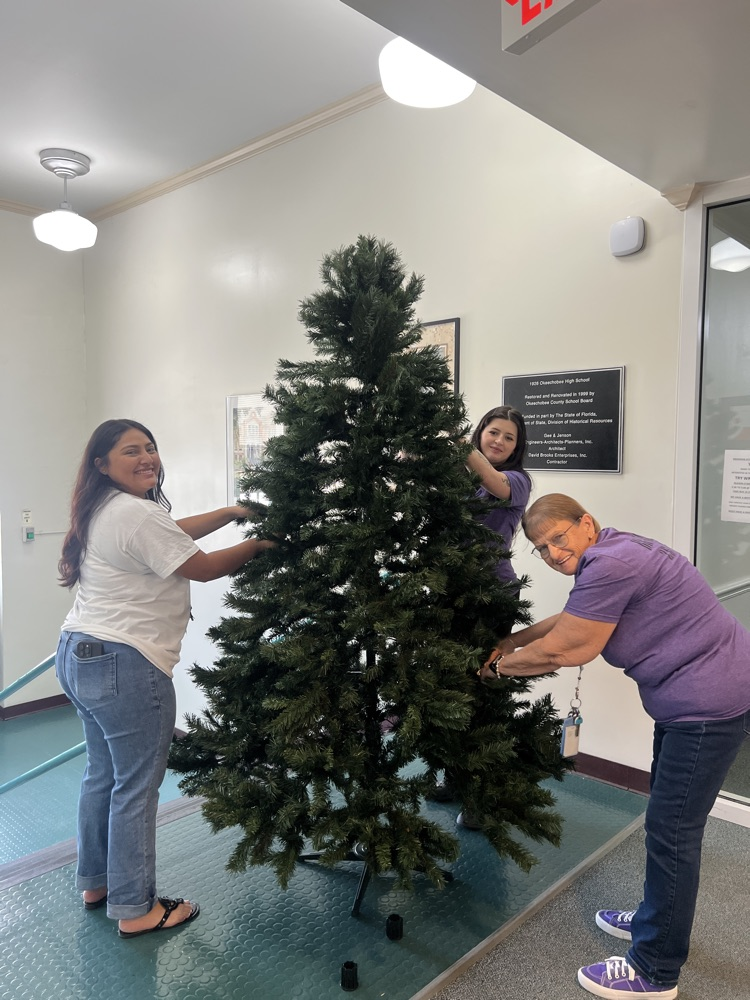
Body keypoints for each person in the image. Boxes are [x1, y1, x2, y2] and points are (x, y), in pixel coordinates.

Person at [478, 493, 750, 999]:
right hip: (694, 698)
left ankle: (654, 971)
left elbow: (571, 646)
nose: (554, 553)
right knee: (666, 823)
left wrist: (496, 668)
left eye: (559, 538)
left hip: (706, 706)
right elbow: (569, 620)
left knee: (672, 833)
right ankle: (655, 920)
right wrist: (514, 642)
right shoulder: (611, 552)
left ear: (586, 524)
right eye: (541, 548)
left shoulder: (610, 565)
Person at [56, 418, 275, 939]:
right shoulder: (134, 512)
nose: (147, 458)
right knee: (136, 788)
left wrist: (228, 512)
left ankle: (97, 882)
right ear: (102, 463)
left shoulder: (105, 507)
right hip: (127, 664)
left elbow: (171, 534)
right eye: (131, 451)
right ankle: (137, 909)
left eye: (151, 448)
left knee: (102, 775)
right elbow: (202, 568)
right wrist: (263, 545)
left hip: (78, 654)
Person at [464, 405, 532, 589]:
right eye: (493, 432)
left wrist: (459, 441)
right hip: (450, 583)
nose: (499, 441)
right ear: (480, 433)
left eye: (509, 438)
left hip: (495, 589)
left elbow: (490, 480)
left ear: (515, 447)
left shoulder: (519, 480)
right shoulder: (456, 472)